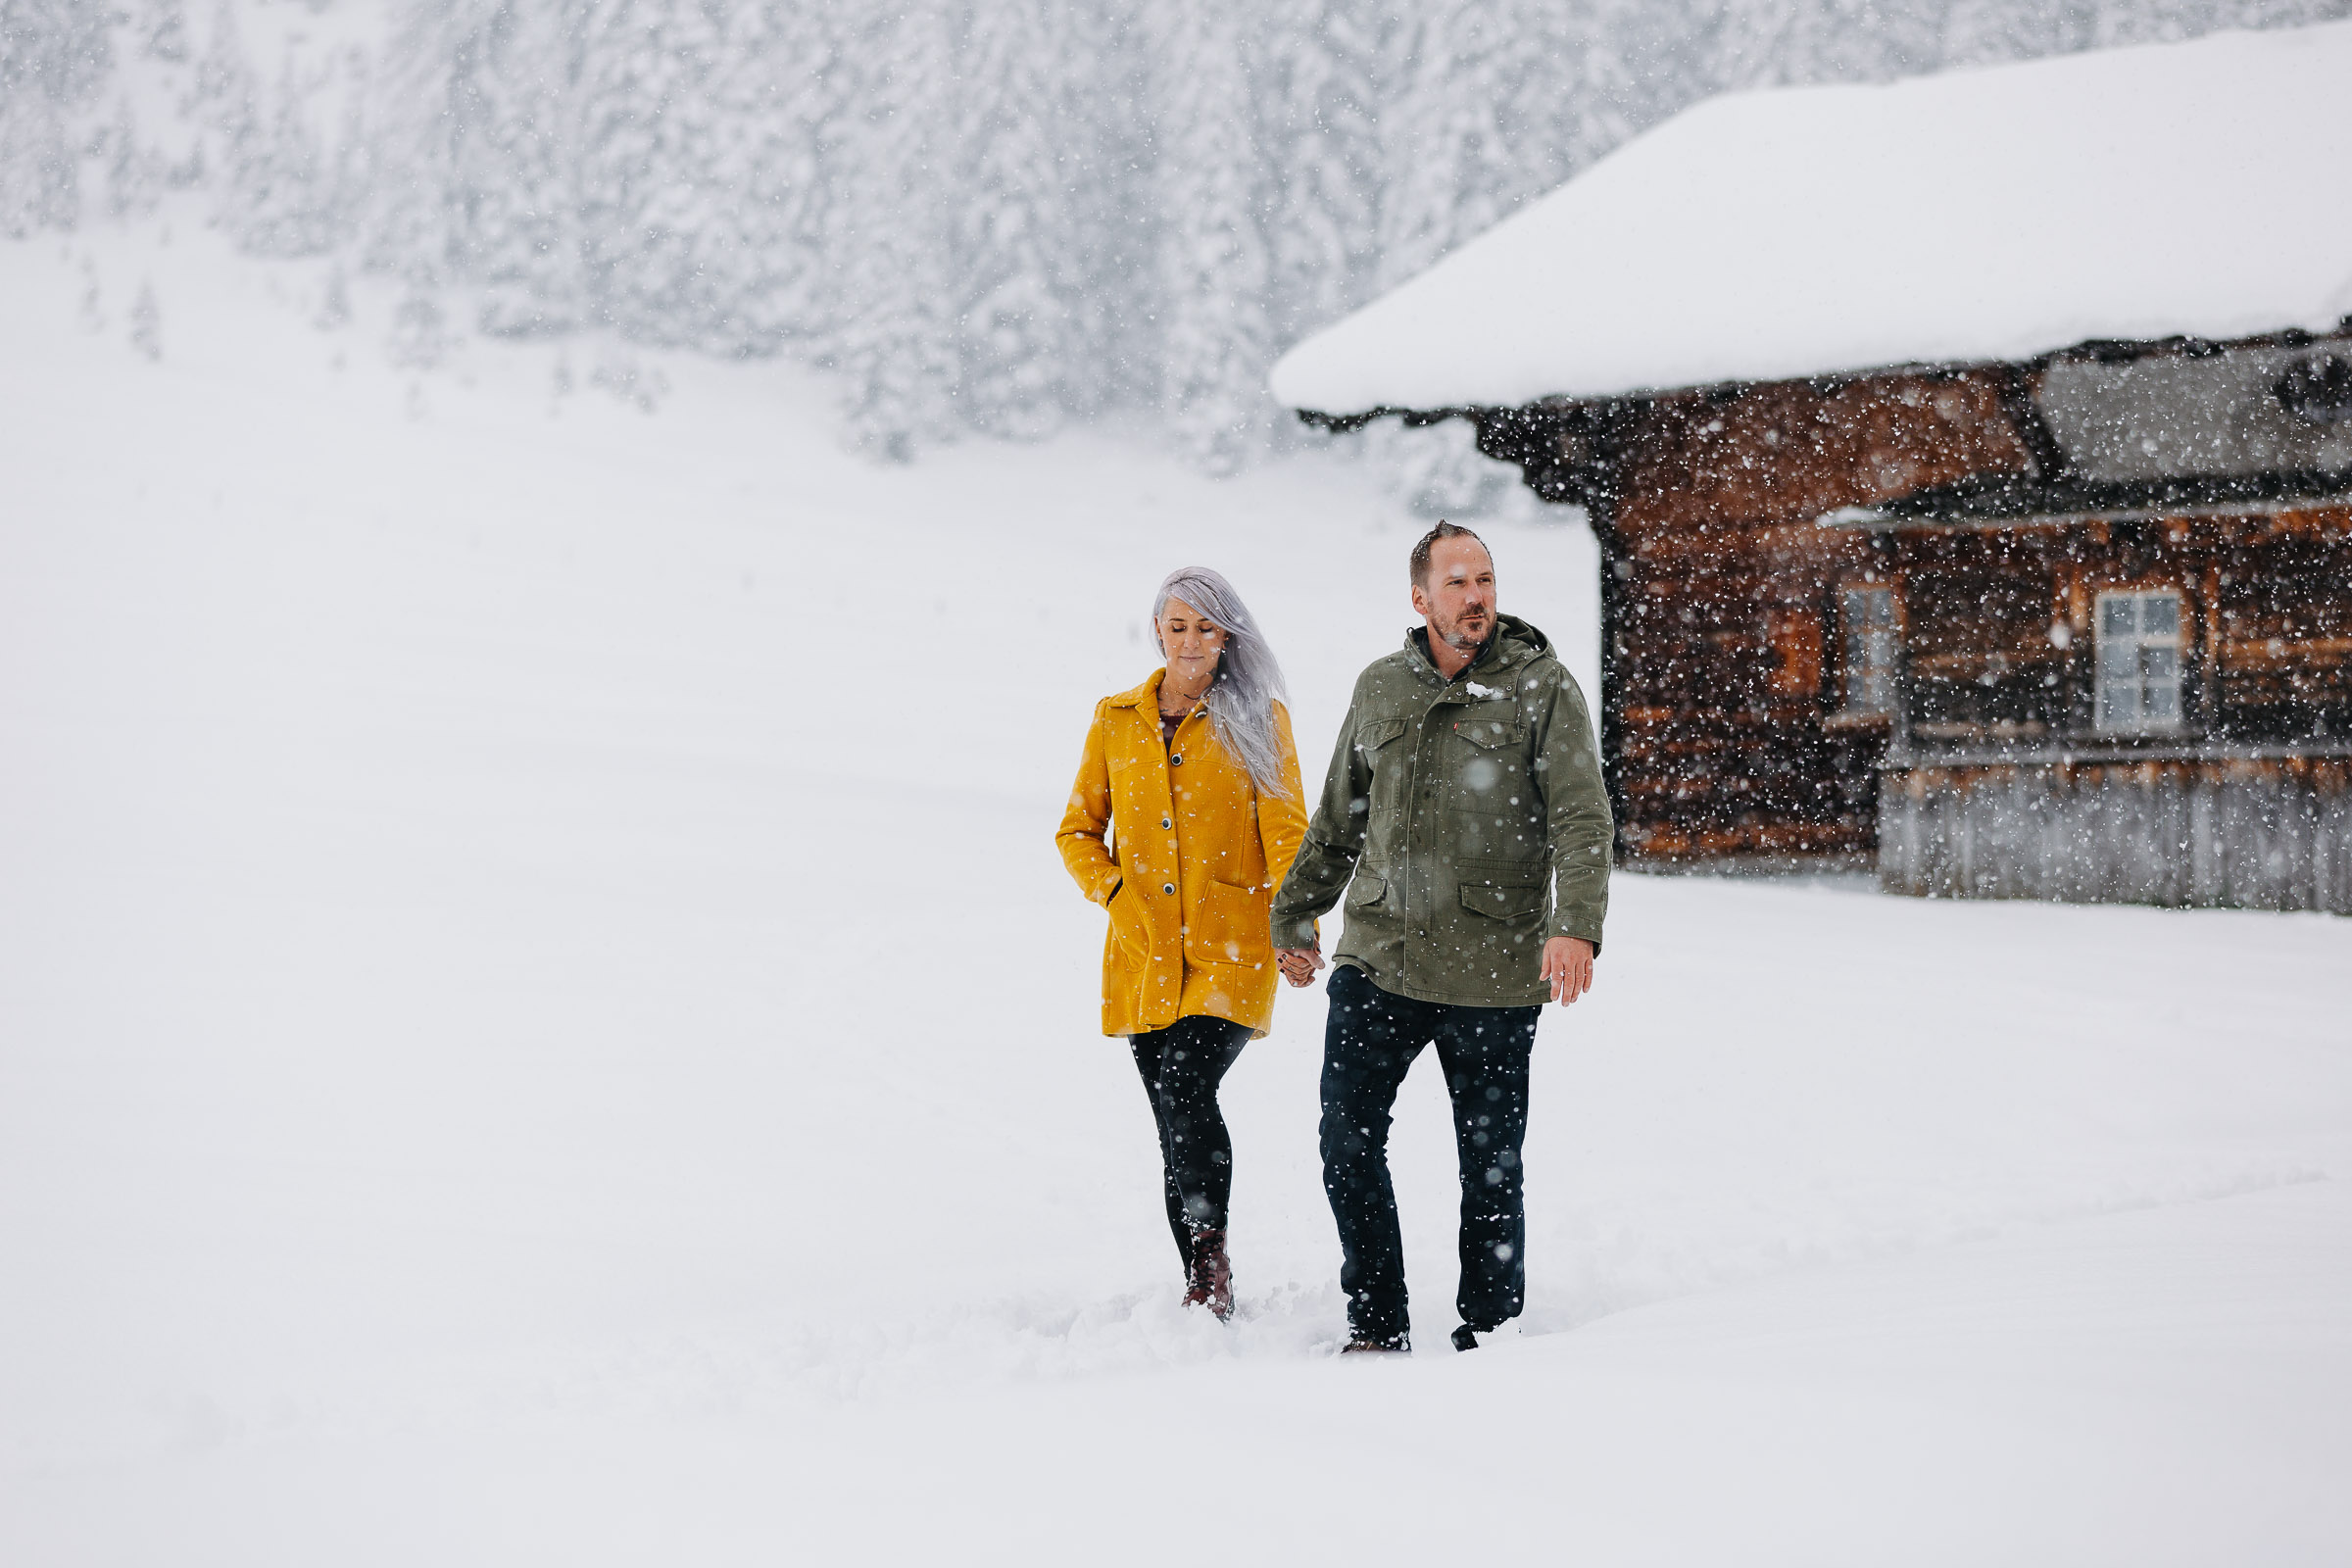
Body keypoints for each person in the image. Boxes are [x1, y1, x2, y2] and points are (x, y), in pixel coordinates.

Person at [1271, 522, 1612, 1353]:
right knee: (1345, 1142)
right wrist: (1294, 914)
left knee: (1490, 1163)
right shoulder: (1381, 687)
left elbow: (1581, 818)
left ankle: (1491, 1331)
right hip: (1379, 957)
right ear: (1420, 598)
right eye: (1457, 583)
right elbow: (1338, 820)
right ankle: (1376, 1324)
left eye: (1486, 579)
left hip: (1493, 975)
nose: (1476, 596)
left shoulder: (1542, 688)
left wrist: (1577, 928)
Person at [1056, 568, 1308, 1321]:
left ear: (1228, 637)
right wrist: (1115, 893)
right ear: (1157, 632)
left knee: (1186, 1088)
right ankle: (1204, 1281)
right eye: (1177, 626)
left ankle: (1209, 1258)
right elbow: (1076, 832)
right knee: (1174, 1115)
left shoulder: (1259, 719)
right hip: (1142, 954)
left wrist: (1297, 927)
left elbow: (1290, 836)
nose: (1191, 641)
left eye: (1206, 627)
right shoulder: (1114, 719)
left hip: (1233, 946)